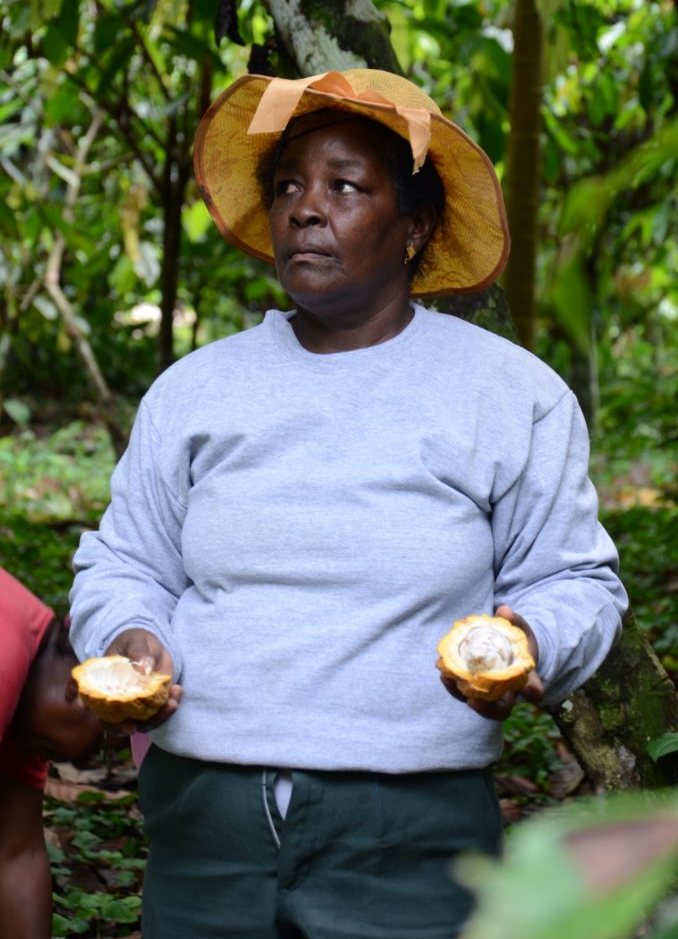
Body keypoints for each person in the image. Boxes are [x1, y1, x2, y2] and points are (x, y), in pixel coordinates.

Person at [68, 68, 629, 939]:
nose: (304, 208)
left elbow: (577, 582)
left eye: (345, 186)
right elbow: (126, 560)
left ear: (414, 228)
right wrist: (130, 631)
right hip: (207, 819)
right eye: (288, 184)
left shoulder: (507, 394)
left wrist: (526, 641)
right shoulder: (196, 392)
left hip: (411, 826)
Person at [0, 566, 106, 939]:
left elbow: (17, 858)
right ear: (82, 691)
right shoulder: (6, 653)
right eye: (102, 745)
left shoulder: (27, 711)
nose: (81, 762)